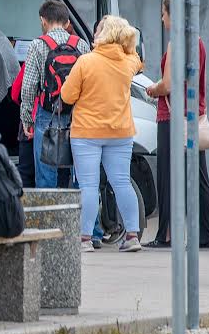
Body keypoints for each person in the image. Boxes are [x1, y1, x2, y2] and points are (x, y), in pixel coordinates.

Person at [60, 15, 145, 253]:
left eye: (98, 29)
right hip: (120, 131)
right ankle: (132, 236)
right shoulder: (128, 62)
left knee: (88, 185)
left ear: (103, 34)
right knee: (121, 182)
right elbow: (138, 60)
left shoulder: (86, 62)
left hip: (87, 132)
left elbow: (67, 96)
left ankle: (85, 239)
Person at [144, 0, 209, 250]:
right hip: (192, 115)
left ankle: (166, 234)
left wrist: (153, 90)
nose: (161, 18)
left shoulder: (176, 43)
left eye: (163, 13)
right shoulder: (197, 42)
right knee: (198, 175)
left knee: (167, 175)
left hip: (172, 117)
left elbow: (168, 84)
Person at [19, 0, 90, 190]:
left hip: (47, 114)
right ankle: (77, 217)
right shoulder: (82, 45)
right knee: (78, 175)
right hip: (77, 117)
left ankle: (47, 216)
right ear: (67, 22)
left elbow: (28, 87)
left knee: (45, 176)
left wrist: (27, 120)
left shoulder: (38, 45)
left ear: (43, 20)